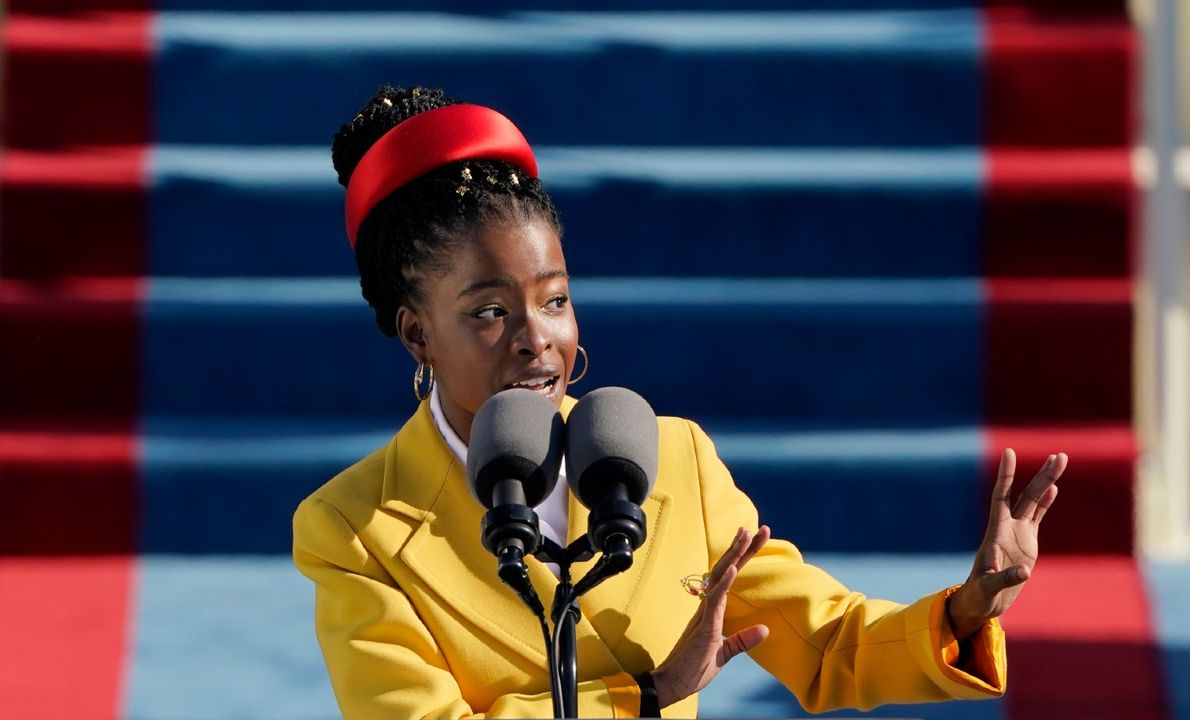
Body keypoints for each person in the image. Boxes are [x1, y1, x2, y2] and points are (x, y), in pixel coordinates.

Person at [292, 84, 1068, 719]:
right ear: (416, 334)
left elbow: (829, 645)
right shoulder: (355, 531)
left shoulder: (671, 462)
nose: (538, 340)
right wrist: (650, 697)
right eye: (491, 312)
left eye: (554, 300)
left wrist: (967, 612)